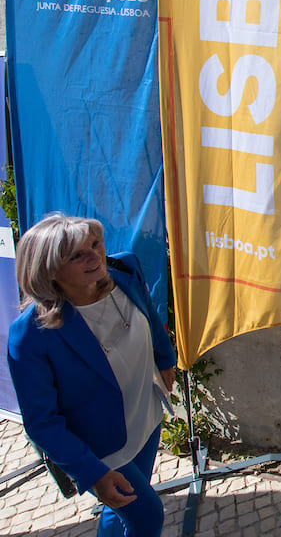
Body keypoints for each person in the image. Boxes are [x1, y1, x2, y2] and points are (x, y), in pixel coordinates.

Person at [7, 215, 176, 537]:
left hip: (145, 417)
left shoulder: (124, 268)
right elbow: (41, 421)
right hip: (102, 444)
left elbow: (150, 315)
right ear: (48, 270)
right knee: (148, 515)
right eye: (77, 255)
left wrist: (164, 358)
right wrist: (92, 472)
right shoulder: (31, 334)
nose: (96, 257)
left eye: (95, 244)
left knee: (119, 509)